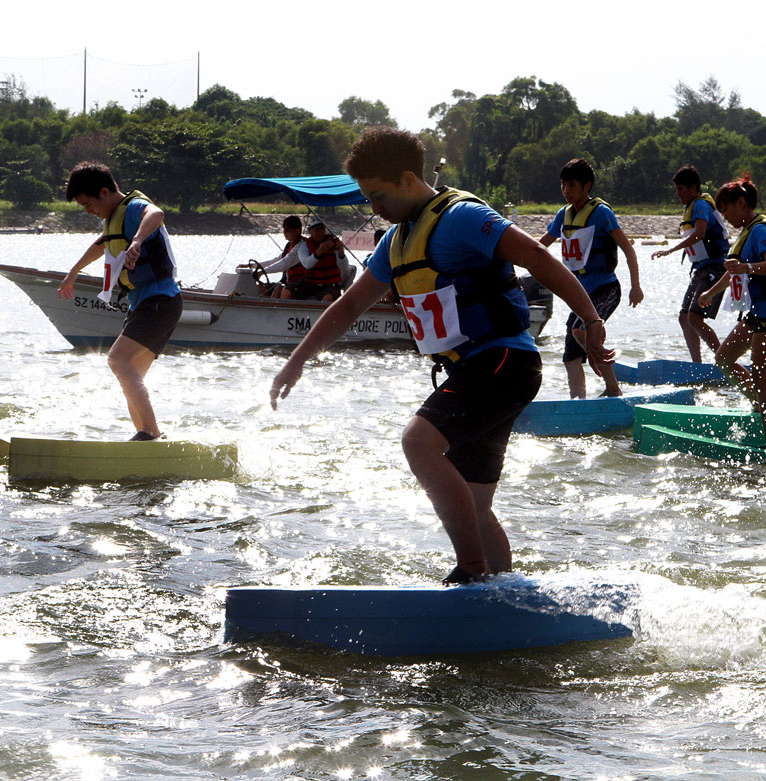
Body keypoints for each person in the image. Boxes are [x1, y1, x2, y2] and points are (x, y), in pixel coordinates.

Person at [270, 127, 614, 585]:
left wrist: (590, 321)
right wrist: (297, 360)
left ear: (408, 180)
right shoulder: (396, 242)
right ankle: (501, 592)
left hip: (503, 363)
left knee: (418, 443)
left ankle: (469, 572)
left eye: (378, 196)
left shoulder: (461, 217)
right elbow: (350, 305)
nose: (374, 208)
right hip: (481, 370)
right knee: (475, 505)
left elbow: (535, 255)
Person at [57, 161, 183, 441]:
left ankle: (150, 433)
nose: (88, 211)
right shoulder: (114, 218)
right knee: (130, 374)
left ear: (104, 192)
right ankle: (148, 437)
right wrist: (72, 274)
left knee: (117, 360)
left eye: (88, 204)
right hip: (147, 303)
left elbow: (157, 213)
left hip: (160, 299)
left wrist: (137, 241)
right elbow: (101, 245)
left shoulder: (135, 207)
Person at [696, 174, 766, 450]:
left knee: (763, 379)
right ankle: (757, 404)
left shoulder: (761, 229)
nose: (724, 216)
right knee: (724, 358)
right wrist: (710, 293)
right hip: (756, 312)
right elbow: (732, 273)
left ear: (741, 203)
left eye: (726, 209)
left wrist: (748, 268)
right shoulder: (747, 232)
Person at [537, 158, 642, 398]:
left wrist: (636, 286)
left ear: (587, 186)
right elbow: (539, 248)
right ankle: (579, 403)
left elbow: (628, 249)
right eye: (563, 185)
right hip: (579, 293)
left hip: (606, 288)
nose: (566, 191)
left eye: (572, 185)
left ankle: (613, 388)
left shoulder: (601, 213)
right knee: (570, 357)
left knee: (580, 331)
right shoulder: (563, 215)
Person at [650, 165, 731, 362]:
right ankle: (697, 365)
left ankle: (725, 361)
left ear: (693, 188)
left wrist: (670, 250)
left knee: (694, 317)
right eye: (676, 189)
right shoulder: (691, 207)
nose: (677, 194)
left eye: (680, 189)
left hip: (716, 268)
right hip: (701, 269)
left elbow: (700, 234)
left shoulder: (701, 205)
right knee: (684, 317)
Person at [251, 217, 345, 301]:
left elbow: (285, 263)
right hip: (310, 283)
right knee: (268, 289)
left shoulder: (332, 244)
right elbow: (279, 260)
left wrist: (341, 253)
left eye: (321, 229)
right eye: (316, 230)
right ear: (310, 231)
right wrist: (254, 266)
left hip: (326, 285)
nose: (320, 233)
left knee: (326, 297)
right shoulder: (303, 245)